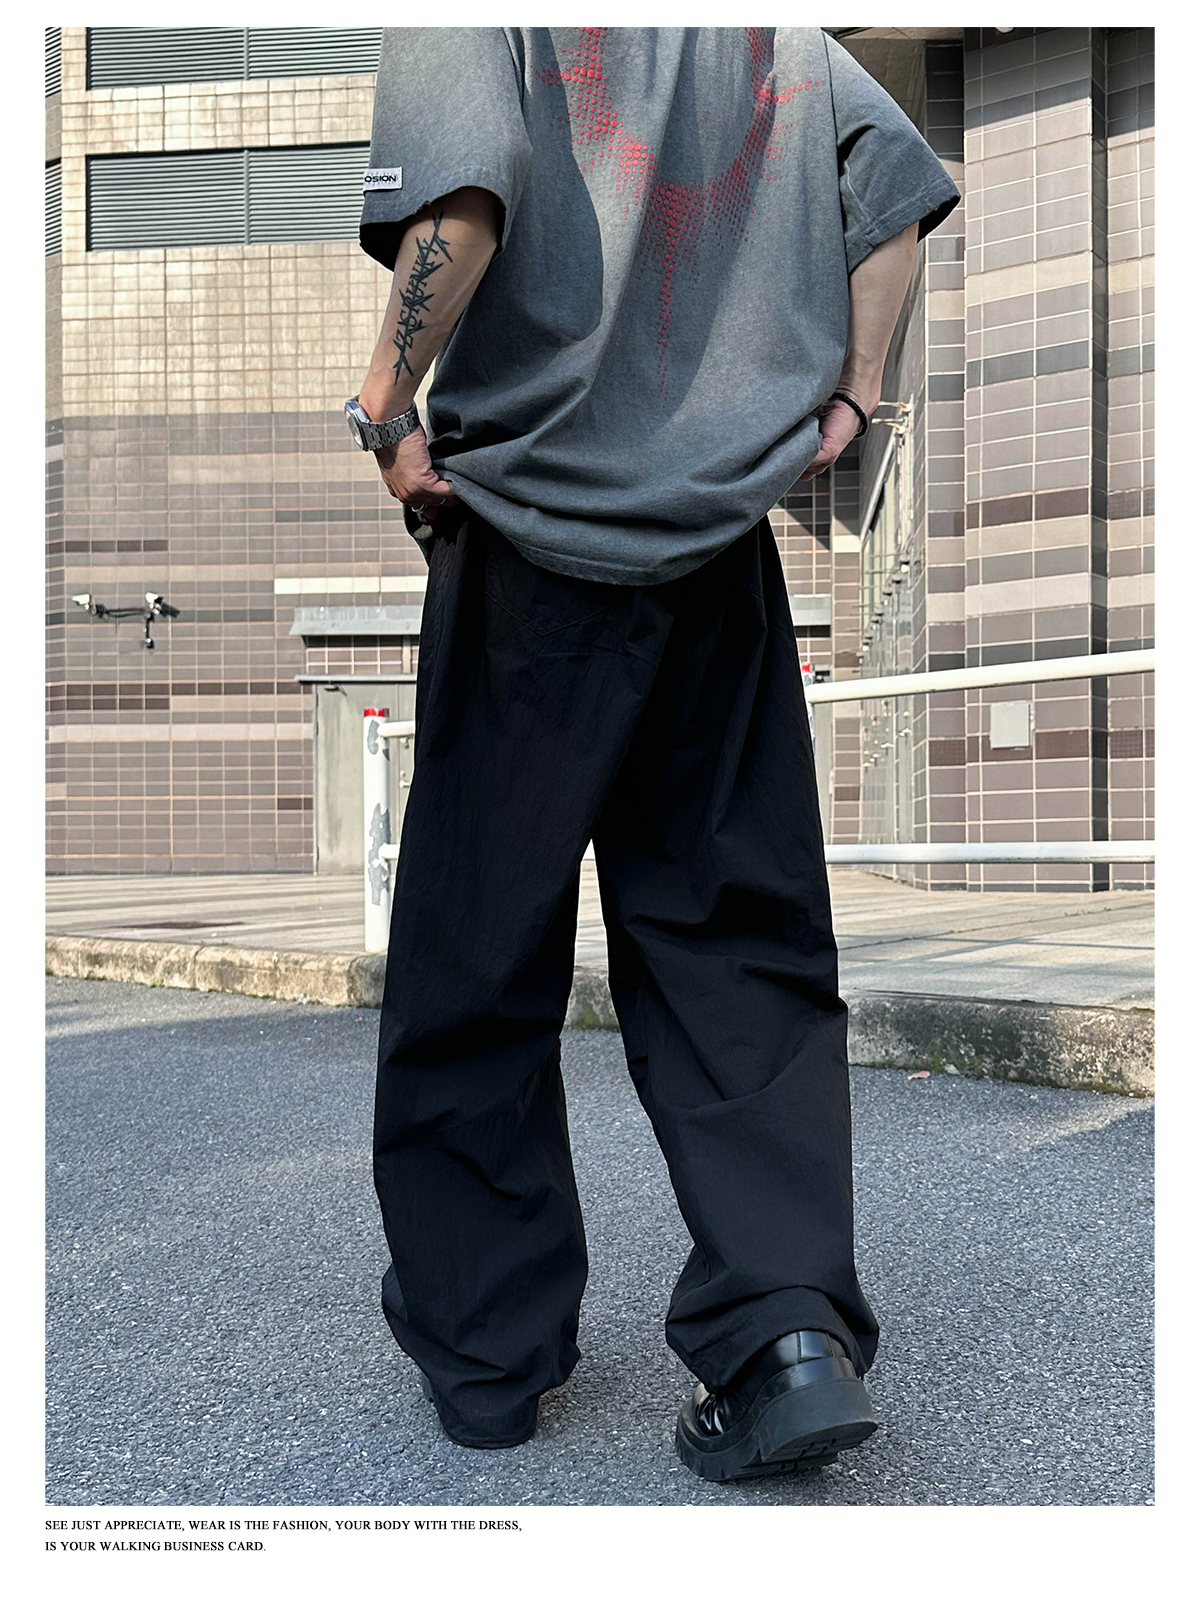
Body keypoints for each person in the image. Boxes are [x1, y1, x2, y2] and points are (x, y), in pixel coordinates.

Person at [347, 26, 960, 1482]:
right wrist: (854, 391)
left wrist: (380, 405)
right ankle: (787, 1339)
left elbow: (462, 205)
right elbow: (892, 188)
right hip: (716, 553)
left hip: (527, 544)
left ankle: (489, 1356)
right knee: (741, 949)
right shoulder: (767, 32)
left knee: (478, 956)